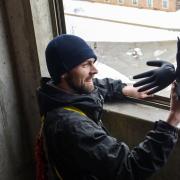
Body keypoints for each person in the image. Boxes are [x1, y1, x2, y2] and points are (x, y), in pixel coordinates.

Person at [37, 34, 179, 180]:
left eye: (93, 62)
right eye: (85, 65)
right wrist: (173, 119)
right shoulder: (73, 127)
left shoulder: (56, 93)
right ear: (63, 73)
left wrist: (125, 89)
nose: (94, 70)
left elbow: (96, 85)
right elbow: (130, 169)